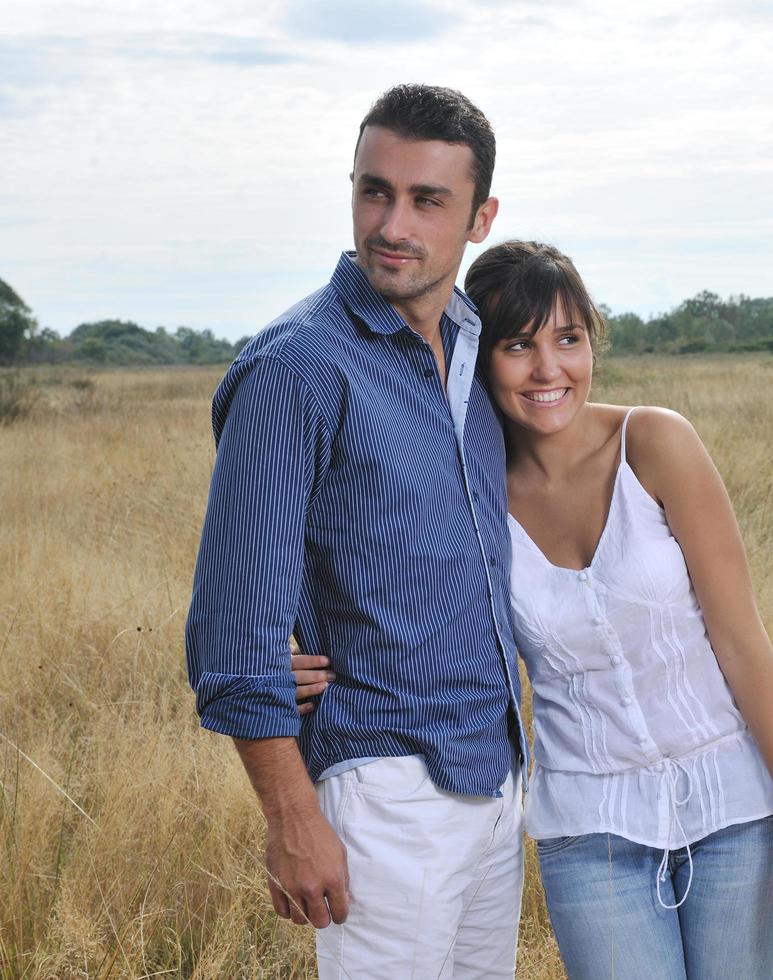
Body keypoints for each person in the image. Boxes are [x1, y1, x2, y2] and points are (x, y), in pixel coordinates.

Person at [294, 241, 773, 978]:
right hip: (591, 831)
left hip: (737, 809)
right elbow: (399, 599)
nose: (549, 370)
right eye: (519, 345)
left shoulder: (656, 442)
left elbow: (742, 640)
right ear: (478, 357)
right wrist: (291, 659)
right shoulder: (470, 492)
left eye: (569, 339)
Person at [185, 84, 526, 979]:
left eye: (427, 200)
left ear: (480, 217)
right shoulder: (295, 368)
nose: (392, 223)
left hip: (495, 785)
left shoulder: (471, 349)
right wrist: (293, 818)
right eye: (375, 191)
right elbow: (235, 631)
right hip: (385, 798)